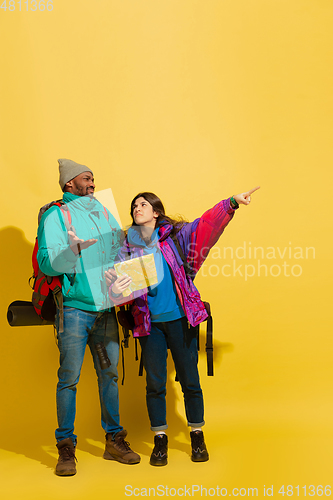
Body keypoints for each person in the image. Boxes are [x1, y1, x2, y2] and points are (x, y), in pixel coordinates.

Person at [108, 188, 259, 466]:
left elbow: (207, 225)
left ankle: (197, 434)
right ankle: (160, 440)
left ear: (156, 212)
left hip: (180, 320)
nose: (136, 209)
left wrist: (231, 204)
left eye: (143, 205)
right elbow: (118, 293)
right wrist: (116, 288)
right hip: (148, 325)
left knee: (190, 380)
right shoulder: (125, 249)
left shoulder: (176, 238)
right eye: (134, 206)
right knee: (155, 384)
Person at [37, 158, 140, 476]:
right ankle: (66, 448)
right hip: (75, 312)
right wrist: (73, 251)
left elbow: (119, 253)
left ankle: (114, 440)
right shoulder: (57, 215)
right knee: (69, 378)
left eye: (93, 177)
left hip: (105, 311)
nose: (92, 182)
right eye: (85, 178)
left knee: (108, 375)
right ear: (69, 184)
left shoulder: (102, 210)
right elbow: (46, 262)